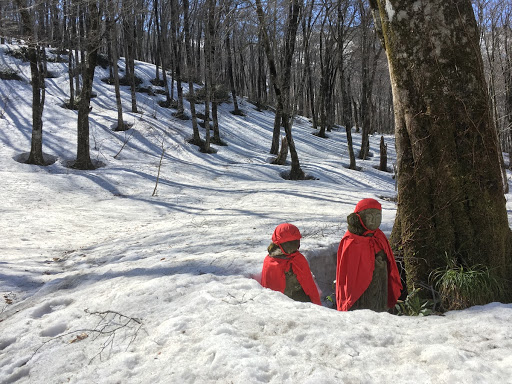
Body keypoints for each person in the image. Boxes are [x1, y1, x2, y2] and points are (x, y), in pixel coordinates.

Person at [336, 198, 402, 311]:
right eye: (370, 217)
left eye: (378, 217)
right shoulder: (351, 240)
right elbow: (349, 272)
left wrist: (381, 265)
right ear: (360, 217)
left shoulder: (379, 236)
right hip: (360, 294)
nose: (374, 221)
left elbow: (389, 263)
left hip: (380, 284)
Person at [261, 223, 321, 305]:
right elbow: (270, 293)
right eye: (289, 243)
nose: (294, 246)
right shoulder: (270, 262)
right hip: (282, 305)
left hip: (302, 302)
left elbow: (310, 286)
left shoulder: (298, 258)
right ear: (279, 243)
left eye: (295, 242)